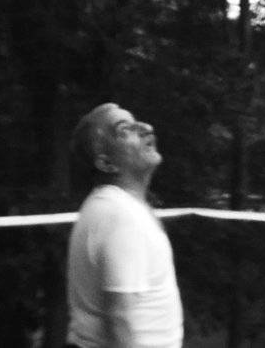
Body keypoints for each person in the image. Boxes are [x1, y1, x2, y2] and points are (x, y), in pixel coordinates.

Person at [65, 102, 183, 348]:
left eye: (136, 121)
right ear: (106, 163)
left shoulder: (116, 207)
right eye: (124, 130)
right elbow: (119, 319)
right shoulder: (121, 216)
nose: (146, 127)